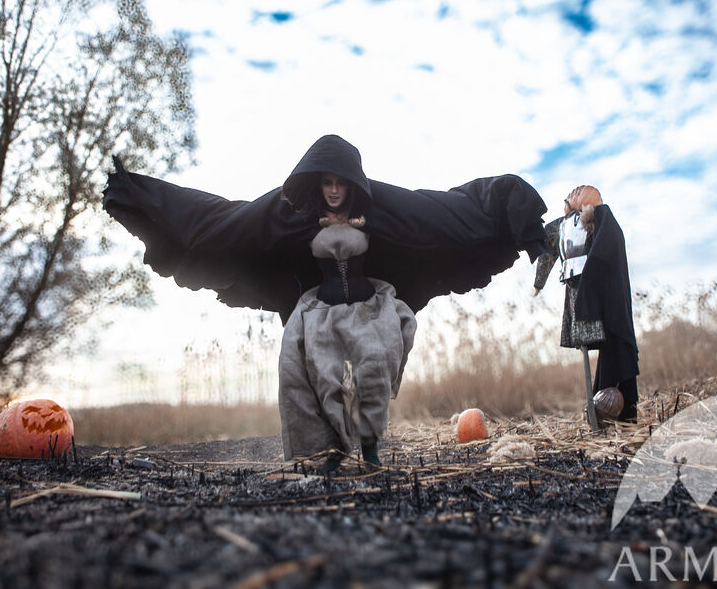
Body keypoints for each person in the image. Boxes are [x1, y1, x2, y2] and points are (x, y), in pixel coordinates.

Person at [103, 134, 548, 470]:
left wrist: (522, 221)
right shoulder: (289, 213)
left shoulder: (381, 209)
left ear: (353, 183)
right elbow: (224, 219)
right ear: (316, 183)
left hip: (370, 305)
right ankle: (313, 456)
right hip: (315, 310)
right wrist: (140, 195)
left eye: (341, 183)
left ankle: (369, 451)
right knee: (298, 374)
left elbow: (446, 213)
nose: (333, 191)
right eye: (326, 183)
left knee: (380, 359)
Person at [533, 185, 639, 422]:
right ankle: (598, 408)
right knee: (586, 345)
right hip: (575, 290)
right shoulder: (562, 225)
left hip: (597, 290)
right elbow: (547, 248)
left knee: (610, 339)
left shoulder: (601, 220)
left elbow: (605, 248)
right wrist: (539, 282)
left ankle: (613, 408)